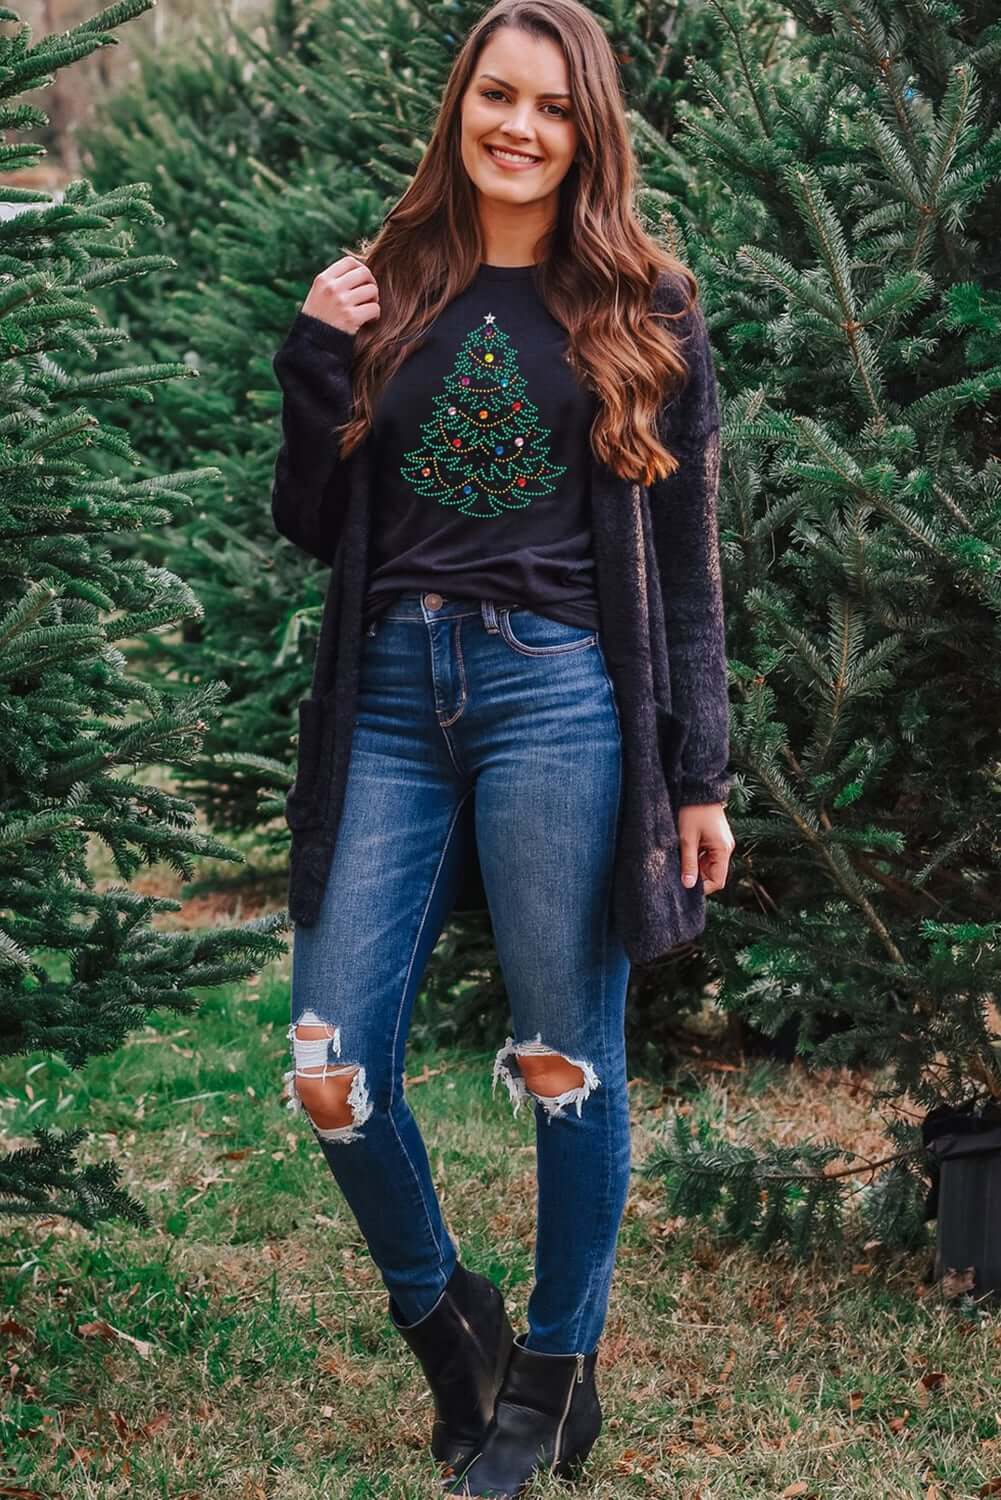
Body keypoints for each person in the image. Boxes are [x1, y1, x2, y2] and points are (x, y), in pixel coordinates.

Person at [269, 0, 735, 1493]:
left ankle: (550, 1372)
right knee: (330, 1062)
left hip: (559, 703)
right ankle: (444, 1317)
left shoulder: (644, 303)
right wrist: (315, 359)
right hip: (394, 696)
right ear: (458, 106)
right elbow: (313, 525)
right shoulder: (391, 282)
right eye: (494, 96)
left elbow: (683, 563)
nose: (516, 128)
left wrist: (695, 773)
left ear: (586, 130)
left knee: (560, 1059)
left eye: (547, 107)